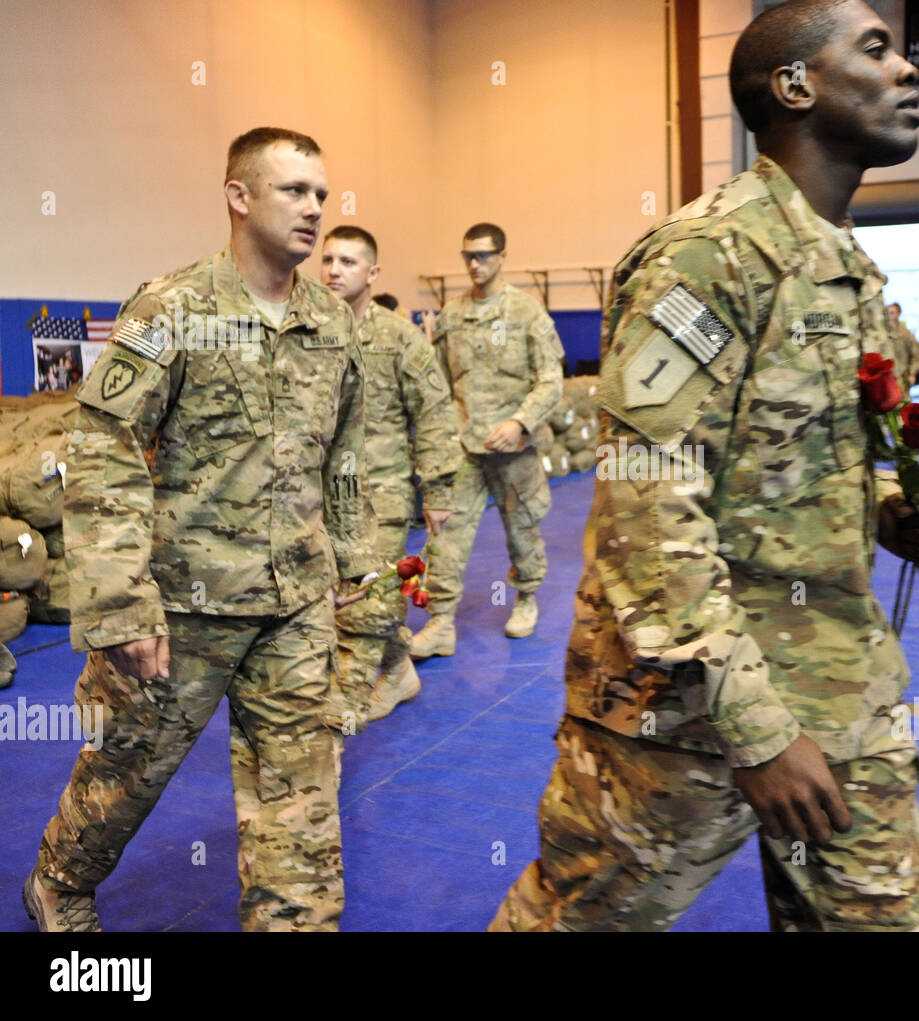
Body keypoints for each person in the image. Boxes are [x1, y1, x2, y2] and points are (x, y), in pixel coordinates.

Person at [491, 0, 919, 932]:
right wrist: (756, 728)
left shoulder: (847, 267)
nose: (907, 69)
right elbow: (647, 513)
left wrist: (892, 499)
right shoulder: (707, 258)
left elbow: (836, 434)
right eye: (874, 49)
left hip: (842, 683)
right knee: (576, 922)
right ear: (794, 85)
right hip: (688, 715)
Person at [23, 127, 376, 932]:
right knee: (128, 770)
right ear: (239, 196)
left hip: (295, 605)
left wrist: (355, 566)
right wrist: (119, 604)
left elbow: (345, 452)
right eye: (294, 190)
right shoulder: (169, 307)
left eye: (322, 193)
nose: (316, 208)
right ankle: (60, 879)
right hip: (181, 606)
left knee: (302, 802)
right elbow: (104, 450)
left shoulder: (330, 321)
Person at [320, 226, 462, 727]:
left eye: (349, 262)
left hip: (383, 493)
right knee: (347, 594)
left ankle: (346, 705)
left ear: (373, 273)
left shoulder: (400, 337)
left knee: (368, 597)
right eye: (329, 259)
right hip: (323, 496)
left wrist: (441, 488)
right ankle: (400, 669)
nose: (335, 270)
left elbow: (435, 413)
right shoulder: (312, 333)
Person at [408, 223, 564, 656]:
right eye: (467, 257)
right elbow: (438, 385)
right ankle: (440, 621)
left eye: (483, 256)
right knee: (447, 536)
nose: (474, 265)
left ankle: (527, 599)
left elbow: (551, 381)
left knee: (522, 531)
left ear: (502, 256)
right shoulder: (452, 316)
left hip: (516, 450)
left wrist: (519, 423)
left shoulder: (527, 312)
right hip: (465, 450)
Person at [886, 302, 919, 392]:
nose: (889, 316)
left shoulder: (905, 334)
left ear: (898, 314)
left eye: (892, 313)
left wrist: (912, 373)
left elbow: (917, 356)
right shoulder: (882, 333)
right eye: (887, 313)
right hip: (885, 379)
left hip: (900, 379)